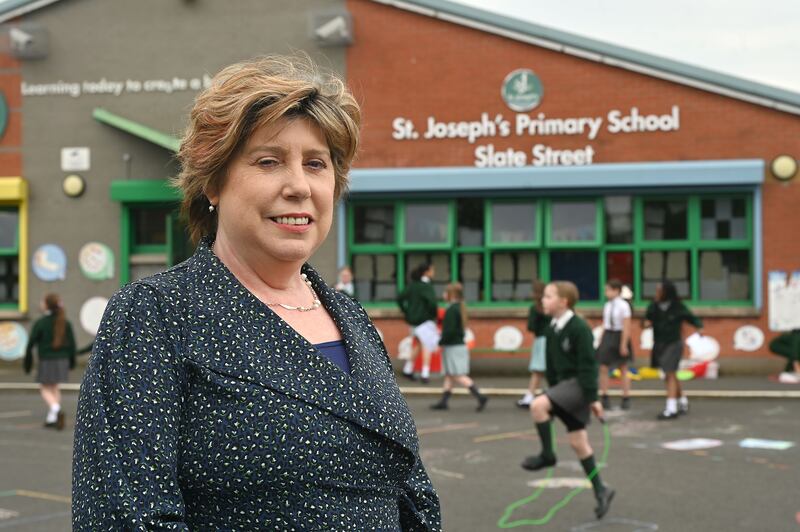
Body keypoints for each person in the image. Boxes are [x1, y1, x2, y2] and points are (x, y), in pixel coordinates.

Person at [72, 55, 440, 531]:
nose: (299, 187)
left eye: (316, 164)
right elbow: (125, 516)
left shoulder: (350, 316)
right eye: (269, 161)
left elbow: (407, 490)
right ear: (213, 182)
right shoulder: (157, 315)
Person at [521, 281, 614, 520]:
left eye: (549, 296)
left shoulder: (579, 327)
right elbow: (551, 367)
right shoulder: (551, 327)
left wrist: (593, 399)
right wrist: (554, 392)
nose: (543, 300)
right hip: (562, 388)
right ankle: (601, 490)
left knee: (537, 404)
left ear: (564, 301)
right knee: (578, 443)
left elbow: (588, 366)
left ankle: (547, 455)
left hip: (578, 386)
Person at [643, 280, 703, 420]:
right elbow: (646, 320)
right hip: (659, 344)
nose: (656, 293)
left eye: (659, 290)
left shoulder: (677, 307)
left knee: (669, 372)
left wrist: (699, 327)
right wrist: (646, 323)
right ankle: (682, 400)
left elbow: (691, 318)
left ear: (666, 292)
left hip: (674, 343)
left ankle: (671, 408)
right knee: (670, 374)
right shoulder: (653, 306)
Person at [430, 282, 488, 411]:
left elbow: (449, 331)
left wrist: (440, 342)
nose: (443, 295)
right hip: (457, 346)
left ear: (452, 294)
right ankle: (444, 401)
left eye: (446, 292)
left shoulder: (451, 310)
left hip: (453, 347)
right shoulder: (459, 308)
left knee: (457, 375)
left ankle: (480, 396)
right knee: (450, 374)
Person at [23, 293, 76, 430]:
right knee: (54, 387)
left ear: (46, 304)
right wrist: (72, 362)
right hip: (62, 360)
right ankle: (52, 418)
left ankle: (56, 409)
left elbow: (30, 344)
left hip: (47, 360)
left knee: (44, 388)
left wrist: (27, 363)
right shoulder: (65, 322)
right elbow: (72, 344)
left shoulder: (41, 323)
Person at [397, 262, 439, 384]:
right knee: (427, 346)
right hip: (425, 321)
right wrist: (433, 315)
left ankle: (408, 369)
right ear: (426, 272)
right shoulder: (427, 286)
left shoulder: (413, 285)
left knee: (418, 345)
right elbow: (432, 303)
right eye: (432, 270)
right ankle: (425, 373)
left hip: (413, 321)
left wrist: (406, 312)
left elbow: (400, 298)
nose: (433, 273)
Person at [596, 279, 633, 410]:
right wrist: (600, 341)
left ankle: (626, 397)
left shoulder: (624, 305)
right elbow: (605, 324)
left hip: (619, 334)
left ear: (616, 290)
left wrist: (623, 344)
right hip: (608, 335)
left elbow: (626, 326)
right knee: (603, 367)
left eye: (608, 290)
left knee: (623, 367)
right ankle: (605, 396)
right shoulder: (607, 305)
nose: (606, 293)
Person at [517, 280, 548, 408]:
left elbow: (531, 326)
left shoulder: (534, 308)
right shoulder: (549, 307)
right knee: (547, 369)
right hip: (551, 339)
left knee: (537, 369)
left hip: (540, 340)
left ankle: (529, 397)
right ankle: (545, 393)